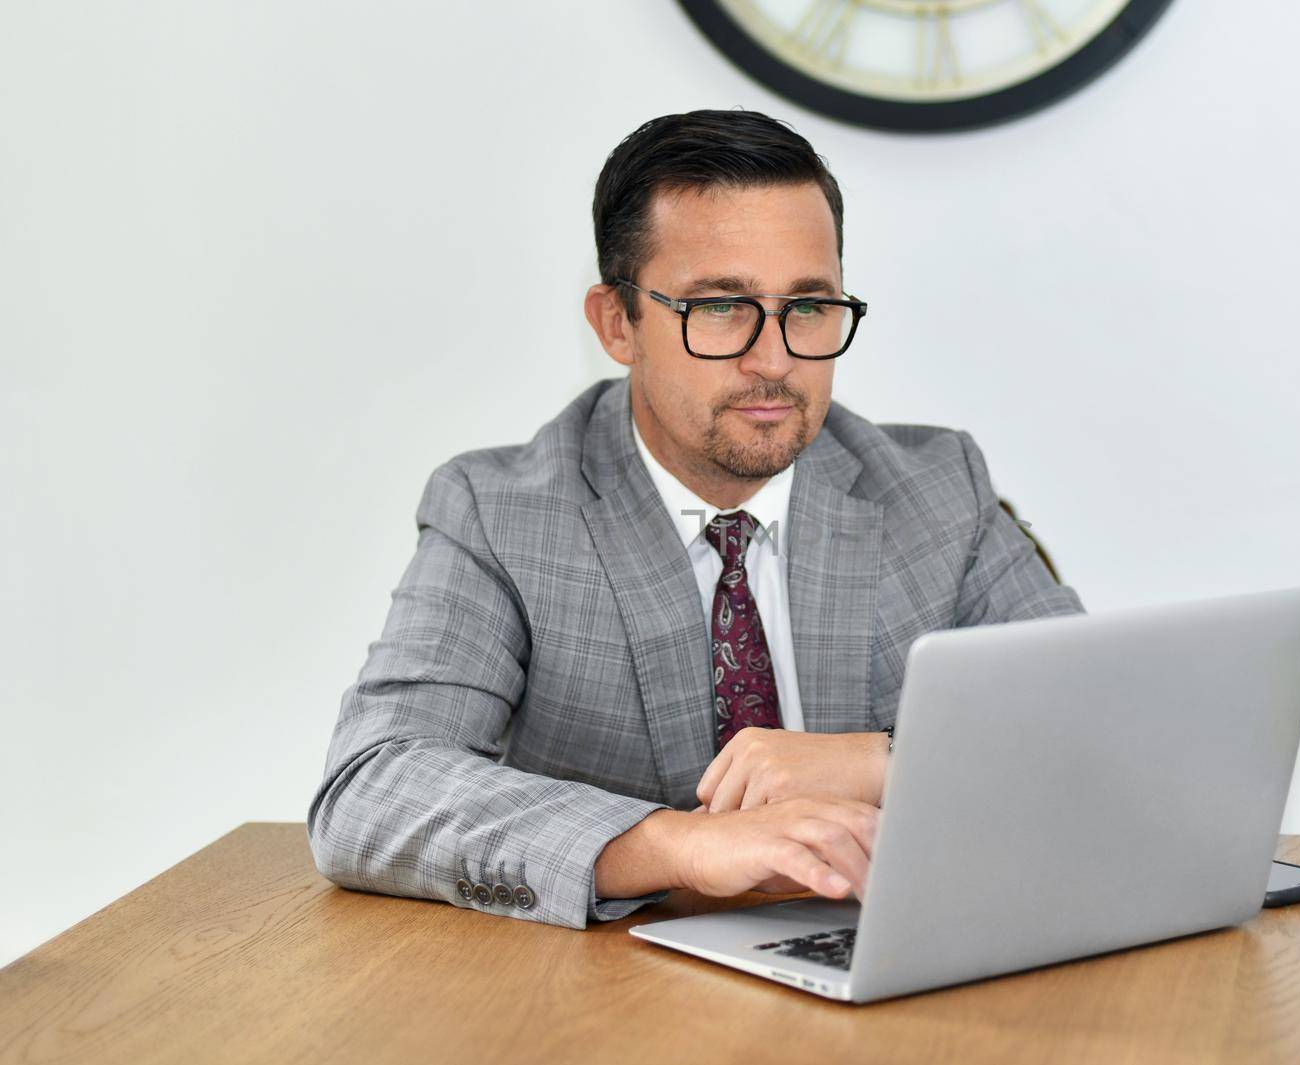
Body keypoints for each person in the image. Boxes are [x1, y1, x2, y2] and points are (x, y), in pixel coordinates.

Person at [306, 109, 1085, 930]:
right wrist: (673, 844)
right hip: (605, 1002)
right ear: (617, 323)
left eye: (809, 307)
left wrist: (884, 761)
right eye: (720, 308)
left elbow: (1095, 722)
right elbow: (374, 786)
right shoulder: (501, 513)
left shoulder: (935, 489)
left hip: (890, 968)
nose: (775, 360)